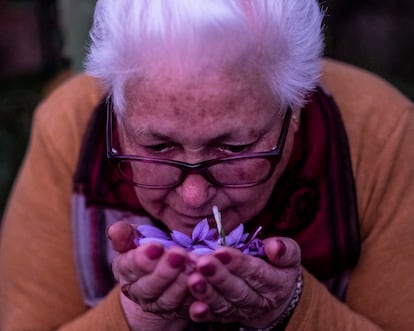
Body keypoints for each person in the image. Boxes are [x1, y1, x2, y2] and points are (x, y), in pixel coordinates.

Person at [0, 1, 413, 330]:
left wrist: (290, 312)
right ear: (116, 106)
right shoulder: (68, 129)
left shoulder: (384, 135)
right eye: (158, 145)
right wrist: (135, 318)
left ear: (296, 111)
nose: (195, 196)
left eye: (234, 147)